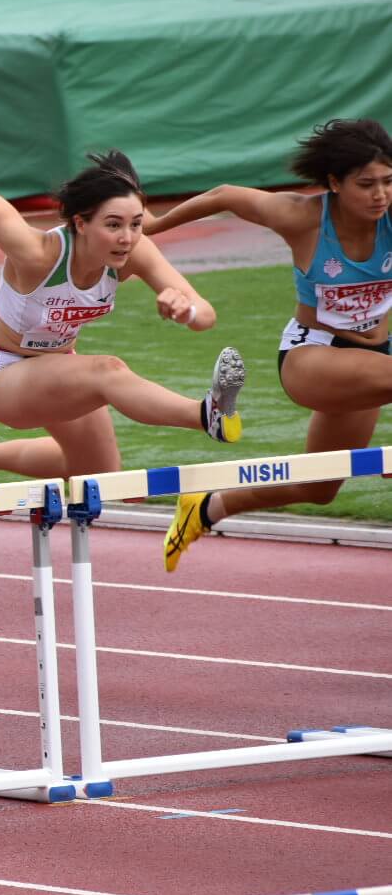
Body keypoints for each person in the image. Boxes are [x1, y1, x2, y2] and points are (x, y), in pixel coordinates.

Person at [0, 151, 246, 494]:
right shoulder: (37, 254)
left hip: (60, 371)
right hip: (4, 377)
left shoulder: (135, 252)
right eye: (114, 225)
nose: (127, 238)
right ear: (81, 223)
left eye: (136, 224)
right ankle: (205, 415)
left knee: (102, 479)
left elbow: (206, 315)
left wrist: (188, 310)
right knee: (108, 370)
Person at [145, 118, 392, 571]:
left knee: (319, 486)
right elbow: (224, 195)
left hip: (374, 361)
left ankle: (206, 506)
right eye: (366, 184)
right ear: (334, 183)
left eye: (388, 181)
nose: (380, 195)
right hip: (312, 356)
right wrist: (154, 227)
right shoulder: (301, 217)